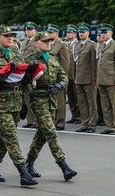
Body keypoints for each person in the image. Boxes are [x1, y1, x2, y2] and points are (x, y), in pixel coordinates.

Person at [0, 25, 38, 186]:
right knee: (11, 137)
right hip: (0, 102)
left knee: (6, 136)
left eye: (12, 36)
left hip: (15, 100)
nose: (10, 38)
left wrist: (30, 72)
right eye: (6, 35)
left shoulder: (16, 54)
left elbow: (22, 81)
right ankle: (23, 172)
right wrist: (6, 71)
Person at [24, 31, 77, 182]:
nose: (48, 43)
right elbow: (23, 80)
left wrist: (60, 83)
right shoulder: (30, 60)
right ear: (36, 43)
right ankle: (64, 166)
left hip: (51, 100)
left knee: (42, 135)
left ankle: (29, 163)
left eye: (50, 41)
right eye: (45, 41)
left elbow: (63, 76)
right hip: (38, 100)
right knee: (51, 133)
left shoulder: (53, 59)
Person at [97, 24, 115, 135]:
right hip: (102, 80)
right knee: (105, 105)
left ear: (111, 34)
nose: (103, 35)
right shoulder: (101, 46)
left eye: (105, 33)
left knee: (114, 105)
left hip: (111, 80)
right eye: (101, 33)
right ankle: (108, 126)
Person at [74, 23, 98, 133]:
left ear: (88, 33)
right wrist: (75, 77)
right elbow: (76, 63)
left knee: (91, 103)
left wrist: (94, 79)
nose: (81, 34)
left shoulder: (92, 45)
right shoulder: (77, 45)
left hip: (89, 79)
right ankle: (84, 123)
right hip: (79, 78)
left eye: (83, 32)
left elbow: (94, 63)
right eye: (79, 32)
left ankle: (92, 125)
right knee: (82, 103)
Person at [47, 24, 69, 130]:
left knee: (60, 101)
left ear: (56, 34)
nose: (49, 34)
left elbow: (65, 63)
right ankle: (53, 121)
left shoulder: (61, 45)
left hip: (58, 78)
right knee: (52, 101)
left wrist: (62, 78)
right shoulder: (49, 44)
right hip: (50, 77)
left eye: (51, 33)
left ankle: (60, 122)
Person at [21, 21, 38, 128]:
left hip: (33, 72)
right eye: (27, 29)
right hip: (24, 73)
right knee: (27, 97)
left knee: (34, 98)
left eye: (30, 30)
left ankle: (36, 121)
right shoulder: (24, 43)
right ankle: (30, 120)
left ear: (35, 31)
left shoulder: (37, 42)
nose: (28, 31)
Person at [66, 24, 81, 124]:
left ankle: (79, 116)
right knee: (70, 97)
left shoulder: (78, 45)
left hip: (75, 75)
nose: (68, 34)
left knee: (77, 97)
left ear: (75, 35)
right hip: (67, 75)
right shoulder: (66, 45)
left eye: (70, 33)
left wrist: (76, 75)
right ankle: (73, 115)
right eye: (67, 32)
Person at [96, 31, 105, 126]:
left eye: (101, 35)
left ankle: (104, 119)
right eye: (98, 35)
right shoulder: (97, 47)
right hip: (98, 76)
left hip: (105, 77)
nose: (99, 37)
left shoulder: (105, 47)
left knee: (104, 101)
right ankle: (99, 117)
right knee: (97, 100)